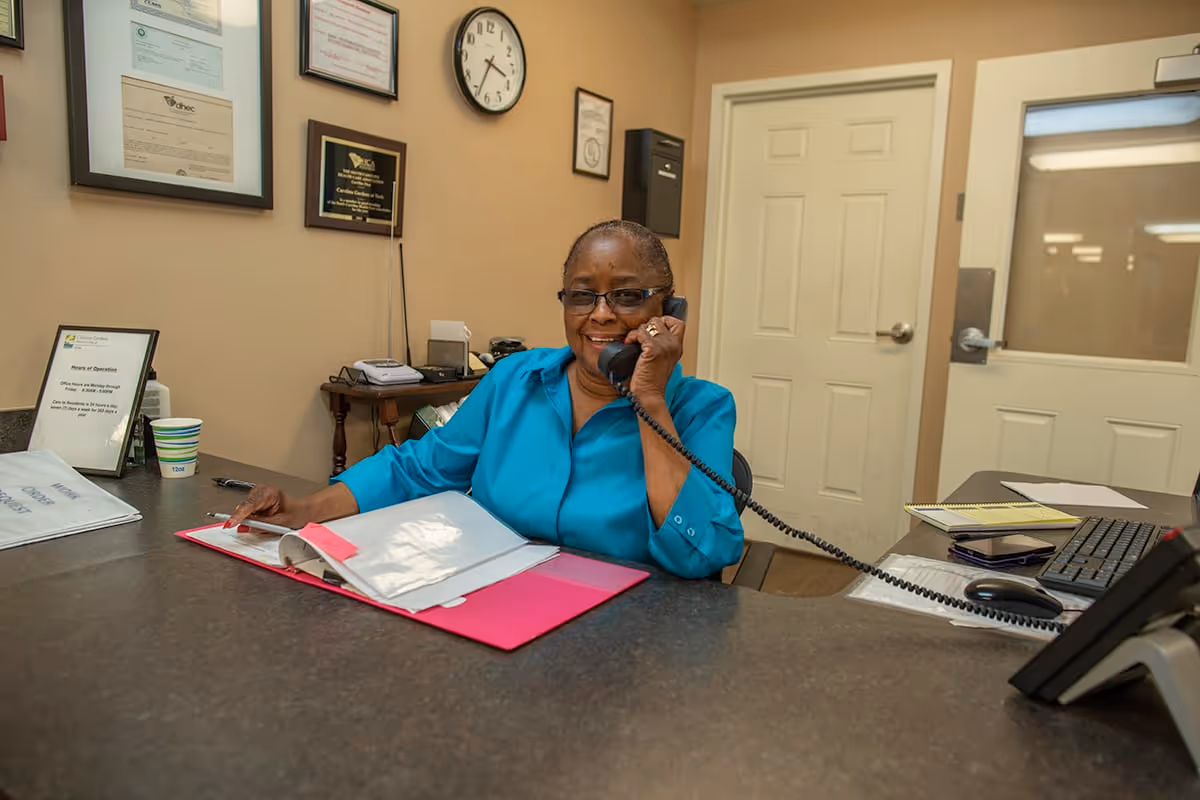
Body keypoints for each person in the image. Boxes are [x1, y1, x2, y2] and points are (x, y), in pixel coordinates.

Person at [227, 220, 744, 578]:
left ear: (668, 307)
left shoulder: (702, 408)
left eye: (628, 296)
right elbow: (417, 470)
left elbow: (702, 554)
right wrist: (305, 509)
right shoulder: (514, 379)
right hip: (494, 604)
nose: (602, 315)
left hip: (629, 640)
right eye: (583, 294)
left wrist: (649, 397)